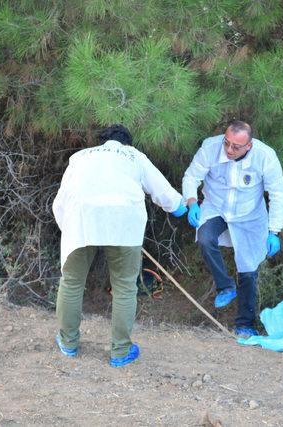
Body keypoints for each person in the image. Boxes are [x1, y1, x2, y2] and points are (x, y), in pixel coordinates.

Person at [52, 124, 186, 367]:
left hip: (81, 219)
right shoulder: (135, 157)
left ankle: (68, 343)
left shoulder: (79, 157)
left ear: (101, 141)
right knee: (125, 287)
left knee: (71, 282)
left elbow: (60, 202)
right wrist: (180, 207)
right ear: (128, 144)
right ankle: (120, 352)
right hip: (124, 223)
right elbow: (166, 195)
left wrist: (69, 229)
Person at [182, 120, 283, 337]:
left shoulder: (265, 156)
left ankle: (245, 324)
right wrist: (192, 202)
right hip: (216, 207)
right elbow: (191, 177)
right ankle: (225, 286)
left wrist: (274, 231)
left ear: (248, 146)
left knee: (248, 270)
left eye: (235, 147)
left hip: (249, 215)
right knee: (204, 237)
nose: (229, 150)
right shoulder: (210, 148)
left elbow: (277, 195)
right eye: (226, 143)